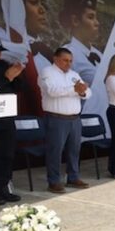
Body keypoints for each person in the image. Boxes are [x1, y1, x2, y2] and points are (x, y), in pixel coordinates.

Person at [39, 47, 91, 193]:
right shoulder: (47, 72)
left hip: (74, 119)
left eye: (70, 61)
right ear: (55, 59)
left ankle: (73, 177)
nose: (68, 63)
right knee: (55, 151)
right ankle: (54, 181)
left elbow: (88, 92)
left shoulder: (74, 74)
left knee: (74, 150)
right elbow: (52, 90)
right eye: (65, 60)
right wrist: (74, 89)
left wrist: (82, 91)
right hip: (56, 118)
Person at [0, 35, 25, 205]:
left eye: (0, 51)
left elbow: (20, 88)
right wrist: (6, 78)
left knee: (7, 153)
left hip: (6, 117)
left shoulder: (3, 65)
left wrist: (17, 76)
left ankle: (4, 188)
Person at [18, 0, 53, 117]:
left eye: (42, 3)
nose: (41, 10)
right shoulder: (5, 45)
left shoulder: (47, 52)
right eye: (33, 2)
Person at [60, 0, 101, 91]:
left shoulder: (99, 55)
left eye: (96, 18)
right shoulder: (67, 54)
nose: (97, 23)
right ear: (75, 20)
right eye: (91, 17)